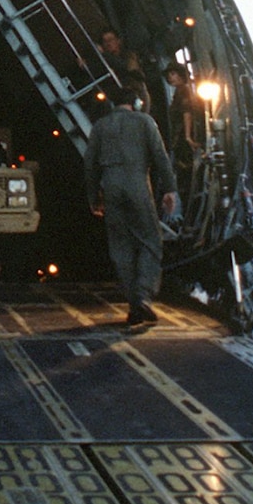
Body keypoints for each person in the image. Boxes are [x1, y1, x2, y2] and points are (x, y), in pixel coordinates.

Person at [83, 84, 179, 326]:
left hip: (111, 186)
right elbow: (159, 156)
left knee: (120, 245)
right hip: (137, 183)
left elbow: (90, 166)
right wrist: (170, 189)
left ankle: (133, 303)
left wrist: (93, 196)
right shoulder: (145, 122)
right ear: (137, 103)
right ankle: (143, 297)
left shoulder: (100, 126)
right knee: (150, 241)